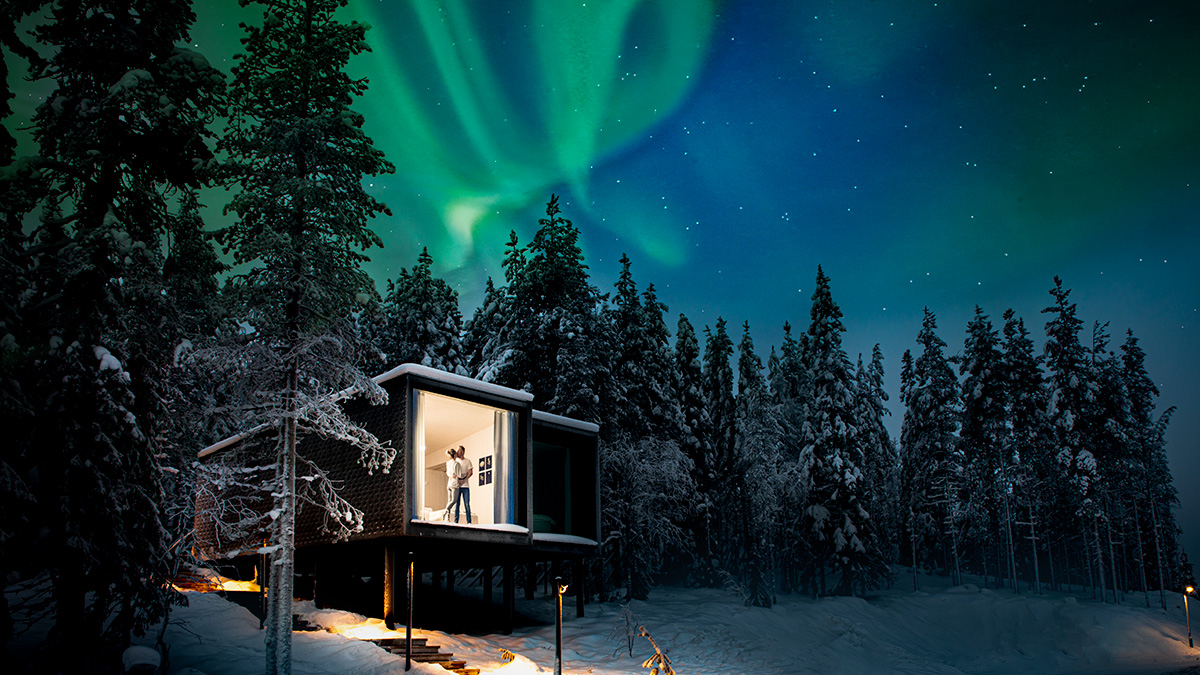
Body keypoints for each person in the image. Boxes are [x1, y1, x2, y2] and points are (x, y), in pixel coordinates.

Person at [452, 445, 474, 524]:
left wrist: (464, 480)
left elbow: (470, 472)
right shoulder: (455, 461)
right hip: (457, 486)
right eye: (457, 450)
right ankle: (455, 522)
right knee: (456, 505)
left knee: (467, 504)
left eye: (459, 450)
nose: (457, 452)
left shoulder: (467, 461)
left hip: (465, 486)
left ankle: (469, 522)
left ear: (463, 452)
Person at [444, 448, 460, 520]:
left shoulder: (448, 463)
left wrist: (450, 476)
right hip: (454, 483)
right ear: (455, 454)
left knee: (449, 500)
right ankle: (445, 511)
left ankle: (447, 517)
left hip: (449, 483)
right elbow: (459, 475)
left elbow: (447, 473)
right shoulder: (456, 463)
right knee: (454, 500)